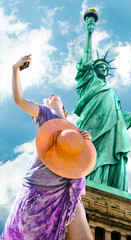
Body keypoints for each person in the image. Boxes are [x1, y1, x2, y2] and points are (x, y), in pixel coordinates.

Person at [0, 55, 93, 240]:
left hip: (64, 190)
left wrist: (85, 141)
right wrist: (15, 69)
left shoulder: (74, 131)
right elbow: (19, 99)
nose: (51, 96)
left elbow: (80, 163)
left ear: (65, 109)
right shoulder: (45, 116)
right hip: (38, 192)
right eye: (50, 98)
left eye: (56, 98)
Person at [74, 13, 131, 191]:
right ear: (93, 69)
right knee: (91, 148)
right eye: (100, 66)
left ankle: (107, 184)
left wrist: (126, 117)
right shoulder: (89, 82)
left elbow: (116, 116)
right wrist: (89, 31)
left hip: (112, 128)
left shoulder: (112, 93)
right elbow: (87, 55)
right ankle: (88, 180)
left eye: (106, 67)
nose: (104, 67)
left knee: (109, 151)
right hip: (92, 123)